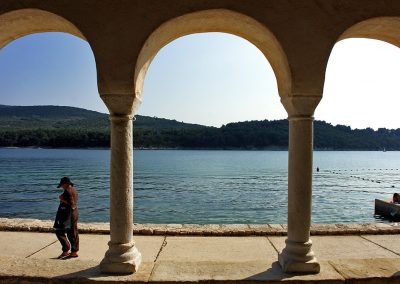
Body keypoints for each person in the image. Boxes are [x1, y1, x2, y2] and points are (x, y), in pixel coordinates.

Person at [53, 177, 79, 259]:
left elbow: (72, 204)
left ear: (66, 184)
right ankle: (74, 252)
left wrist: (62, 199)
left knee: (59, 231)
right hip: (74, 214)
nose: (62, 187)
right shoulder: (74, 190)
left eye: (62, 185)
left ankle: (65, 250)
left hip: (67, 214)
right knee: (72, 232)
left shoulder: (68, 191)